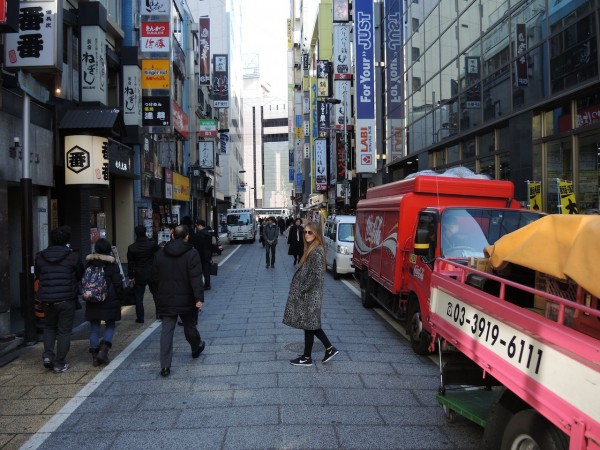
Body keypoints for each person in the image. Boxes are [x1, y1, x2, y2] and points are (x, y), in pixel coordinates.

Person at [283, 221, 338, 366]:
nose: (306, 235)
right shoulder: (313, 249)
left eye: (310, 232)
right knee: (311, 325)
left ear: (316, 234)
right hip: (311, 295)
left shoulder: (317, 251)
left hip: (311, 296)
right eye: (305, 232)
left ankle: (309, 357)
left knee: (310, 325)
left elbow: (317, 276)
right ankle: (325, 350)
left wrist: (303, 289)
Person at [152, 225, 205, 377]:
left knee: (166, 331)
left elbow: (154, 278)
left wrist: (159, 295)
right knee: (189, 327)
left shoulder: (160, 254)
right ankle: (196, 348)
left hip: (166, 298)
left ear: (172, 236)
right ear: (186, 237)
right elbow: (196, 279)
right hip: (187, 299)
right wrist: (198, 298)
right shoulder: (192, 253)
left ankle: (165, 366)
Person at [34, 225, 83, 373]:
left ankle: (48, 355)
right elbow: (80, 275)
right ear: (67, 240)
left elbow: (38, 273)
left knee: (49, 327)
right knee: (64, 331)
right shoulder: (72, 256)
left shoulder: (40, 256)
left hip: (47, 298)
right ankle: (59, 363)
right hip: (66, 298)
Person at [84, 238, 124, 366]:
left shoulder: (89, 263)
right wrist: (121, 297)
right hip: (109, 298)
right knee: (110, 324)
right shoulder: (111, 264)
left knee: (94, 326)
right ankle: (103, 351)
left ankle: (95, 354)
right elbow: (118, 283)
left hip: (92, 299)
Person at [127, 225, 159, 323]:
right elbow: (158, 253)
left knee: (139, 296)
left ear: (136, 233)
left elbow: (130, 263)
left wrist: (131, 276)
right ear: (145, 232)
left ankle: (140, 318)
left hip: (139, 273)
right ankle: (159, 314)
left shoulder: (132, 247)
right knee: (156, 294)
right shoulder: (152, 244)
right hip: (151, 272)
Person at [192, 219, 213, 290]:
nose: (196, 227)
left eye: (197, 226)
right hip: (207, 254)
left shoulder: (199, 234)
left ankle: (203, 284)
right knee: (206, 270)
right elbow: (210, 246)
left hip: (201, 254)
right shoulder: (208, 233)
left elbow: (197, 246)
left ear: (200, 225)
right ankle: (207, 284)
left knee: (200, 270)